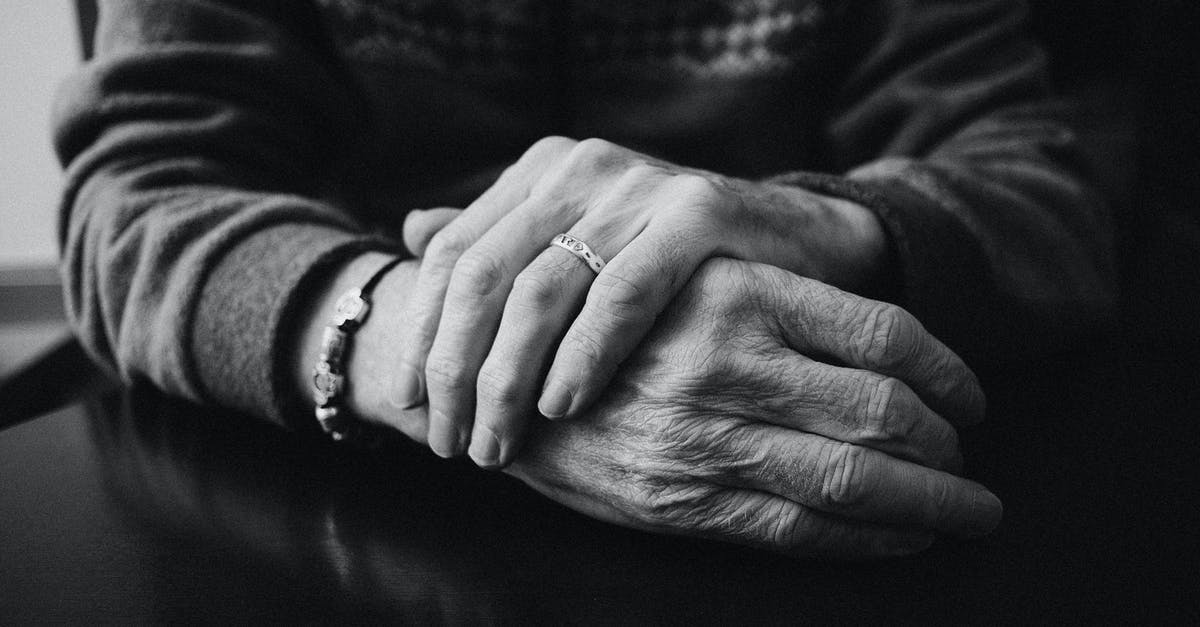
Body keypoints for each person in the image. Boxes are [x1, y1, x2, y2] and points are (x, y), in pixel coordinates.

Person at [54, 0, 1114, 558]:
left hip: (793, 465)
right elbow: (143, 197)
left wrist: (800, 219)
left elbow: (1044, 185)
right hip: (328, 520)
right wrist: (448, 345)